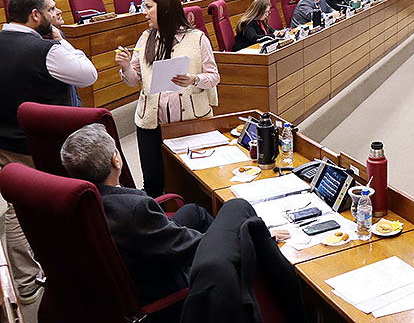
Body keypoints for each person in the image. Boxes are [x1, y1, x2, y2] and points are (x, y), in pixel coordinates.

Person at [59, 124, 291, 309]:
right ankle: (258, 261)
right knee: (237, 208)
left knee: (195, 212)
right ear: (116, 160)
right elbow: (189, 245)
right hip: (163, 280)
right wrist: (245, 239)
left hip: (137, 256)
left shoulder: (76, 200)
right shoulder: (135, 209)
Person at [0, 0, 98, 302]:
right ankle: (66, 267)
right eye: (51, 9)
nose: (56, 14)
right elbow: (88, 75)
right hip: (41, 146)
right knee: (59, 202)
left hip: (4, 141)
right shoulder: (48, 50)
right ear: (36, 16)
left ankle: (26, 281)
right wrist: (60, 39)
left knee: (17, 205)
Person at [115, 0, 219, 197]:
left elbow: (214, 76)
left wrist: (194, 79)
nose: (144, 12)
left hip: (189, 119)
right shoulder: (145, 38)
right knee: (153, 179)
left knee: (191, 176)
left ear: (164, 9)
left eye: (149, 7)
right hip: (151, 119)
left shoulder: (197, 38)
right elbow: (134, 80)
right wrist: (126, 66)